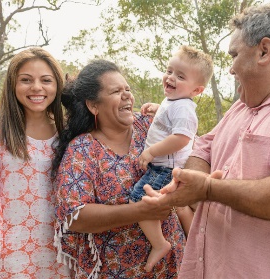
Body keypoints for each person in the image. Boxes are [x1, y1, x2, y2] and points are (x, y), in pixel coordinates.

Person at [143, 3, 270, 278]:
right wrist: (186, 185)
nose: (230, 69)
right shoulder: (241, 108)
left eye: (235, 55)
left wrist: (208, 190)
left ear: (264, 51)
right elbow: (203, 150)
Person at [52, 59, 185, 278]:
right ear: (93, 105)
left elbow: (192, 146)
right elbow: (73, 216)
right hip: (116, 270)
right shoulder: (83, 149)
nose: (127, 96)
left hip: (173, 265)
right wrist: (139, 211)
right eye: (116, 91)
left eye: (128, 89)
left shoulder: (151, 126)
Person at [0, 48, 70, 278]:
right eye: (26, 80)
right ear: (12, 84)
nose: (37, 87)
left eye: (46, 80)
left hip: (61, 256)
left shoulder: (68, 134)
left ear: (57, 85)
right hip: (9, 258)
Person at [130, 45, 214, 272]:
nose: (170, 77)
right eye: (169, 71)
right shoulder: (175, 102)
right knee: (181, 206)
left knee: (139, 199)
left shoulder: (184, 108)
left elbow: (182, 138)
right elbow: (170, 119)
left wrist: (151, 151)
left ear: (196, 90)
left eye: (180, 76)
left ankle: (159, 244)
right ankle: (194, 242)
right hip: (168, 166)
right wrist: (158, 108)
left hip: (165, 167)